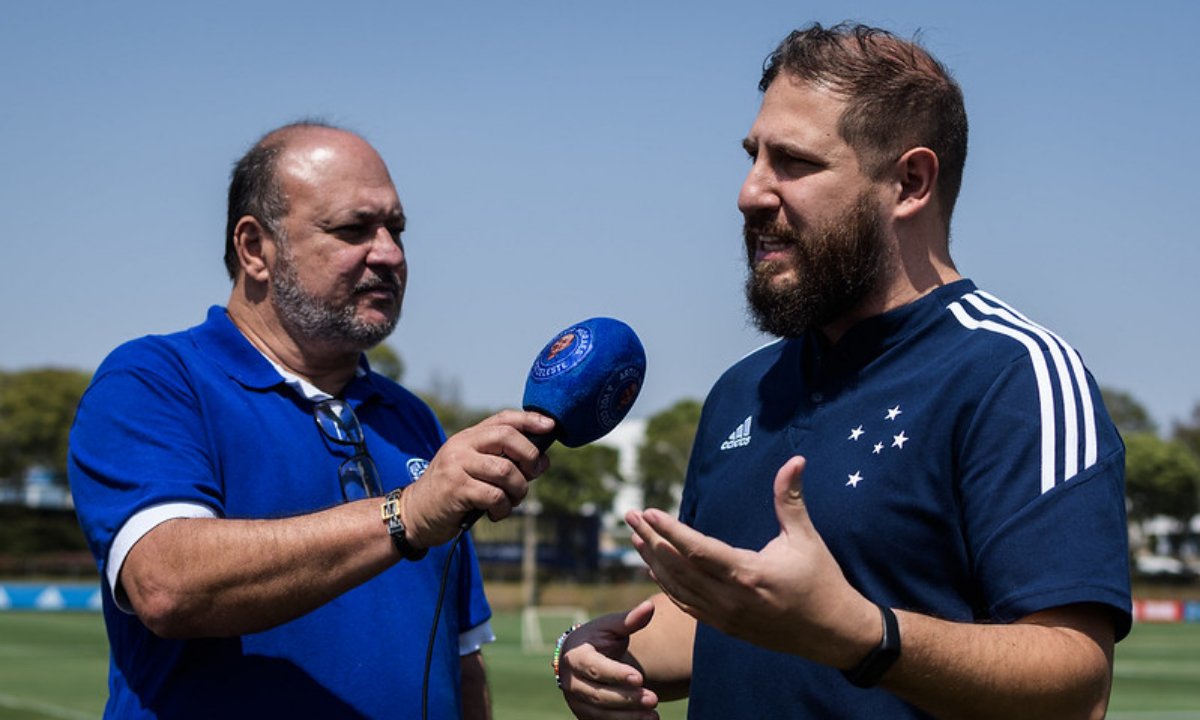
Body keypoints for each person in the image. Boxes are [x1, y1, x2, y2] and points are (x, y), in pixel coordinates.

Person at [556, 22, 1130, 720]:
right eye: (753, 156)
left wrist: (860, 635)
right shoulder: (743, 391)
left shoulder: (1013, 374)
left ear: (910, 182)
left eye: (792, 162)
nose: (749, 192)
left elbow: (1076, 684)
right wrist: (606, 652)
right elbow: (733, 621)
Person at [68, 121, 553, 719]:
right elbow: (166, 584)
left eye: (396, 229)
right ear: (255, 248)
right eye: (353, 229)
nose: (390, 254)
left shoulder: (411, 418)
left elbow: (460, 660)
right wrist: (405, 514)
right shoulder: (154, 380)